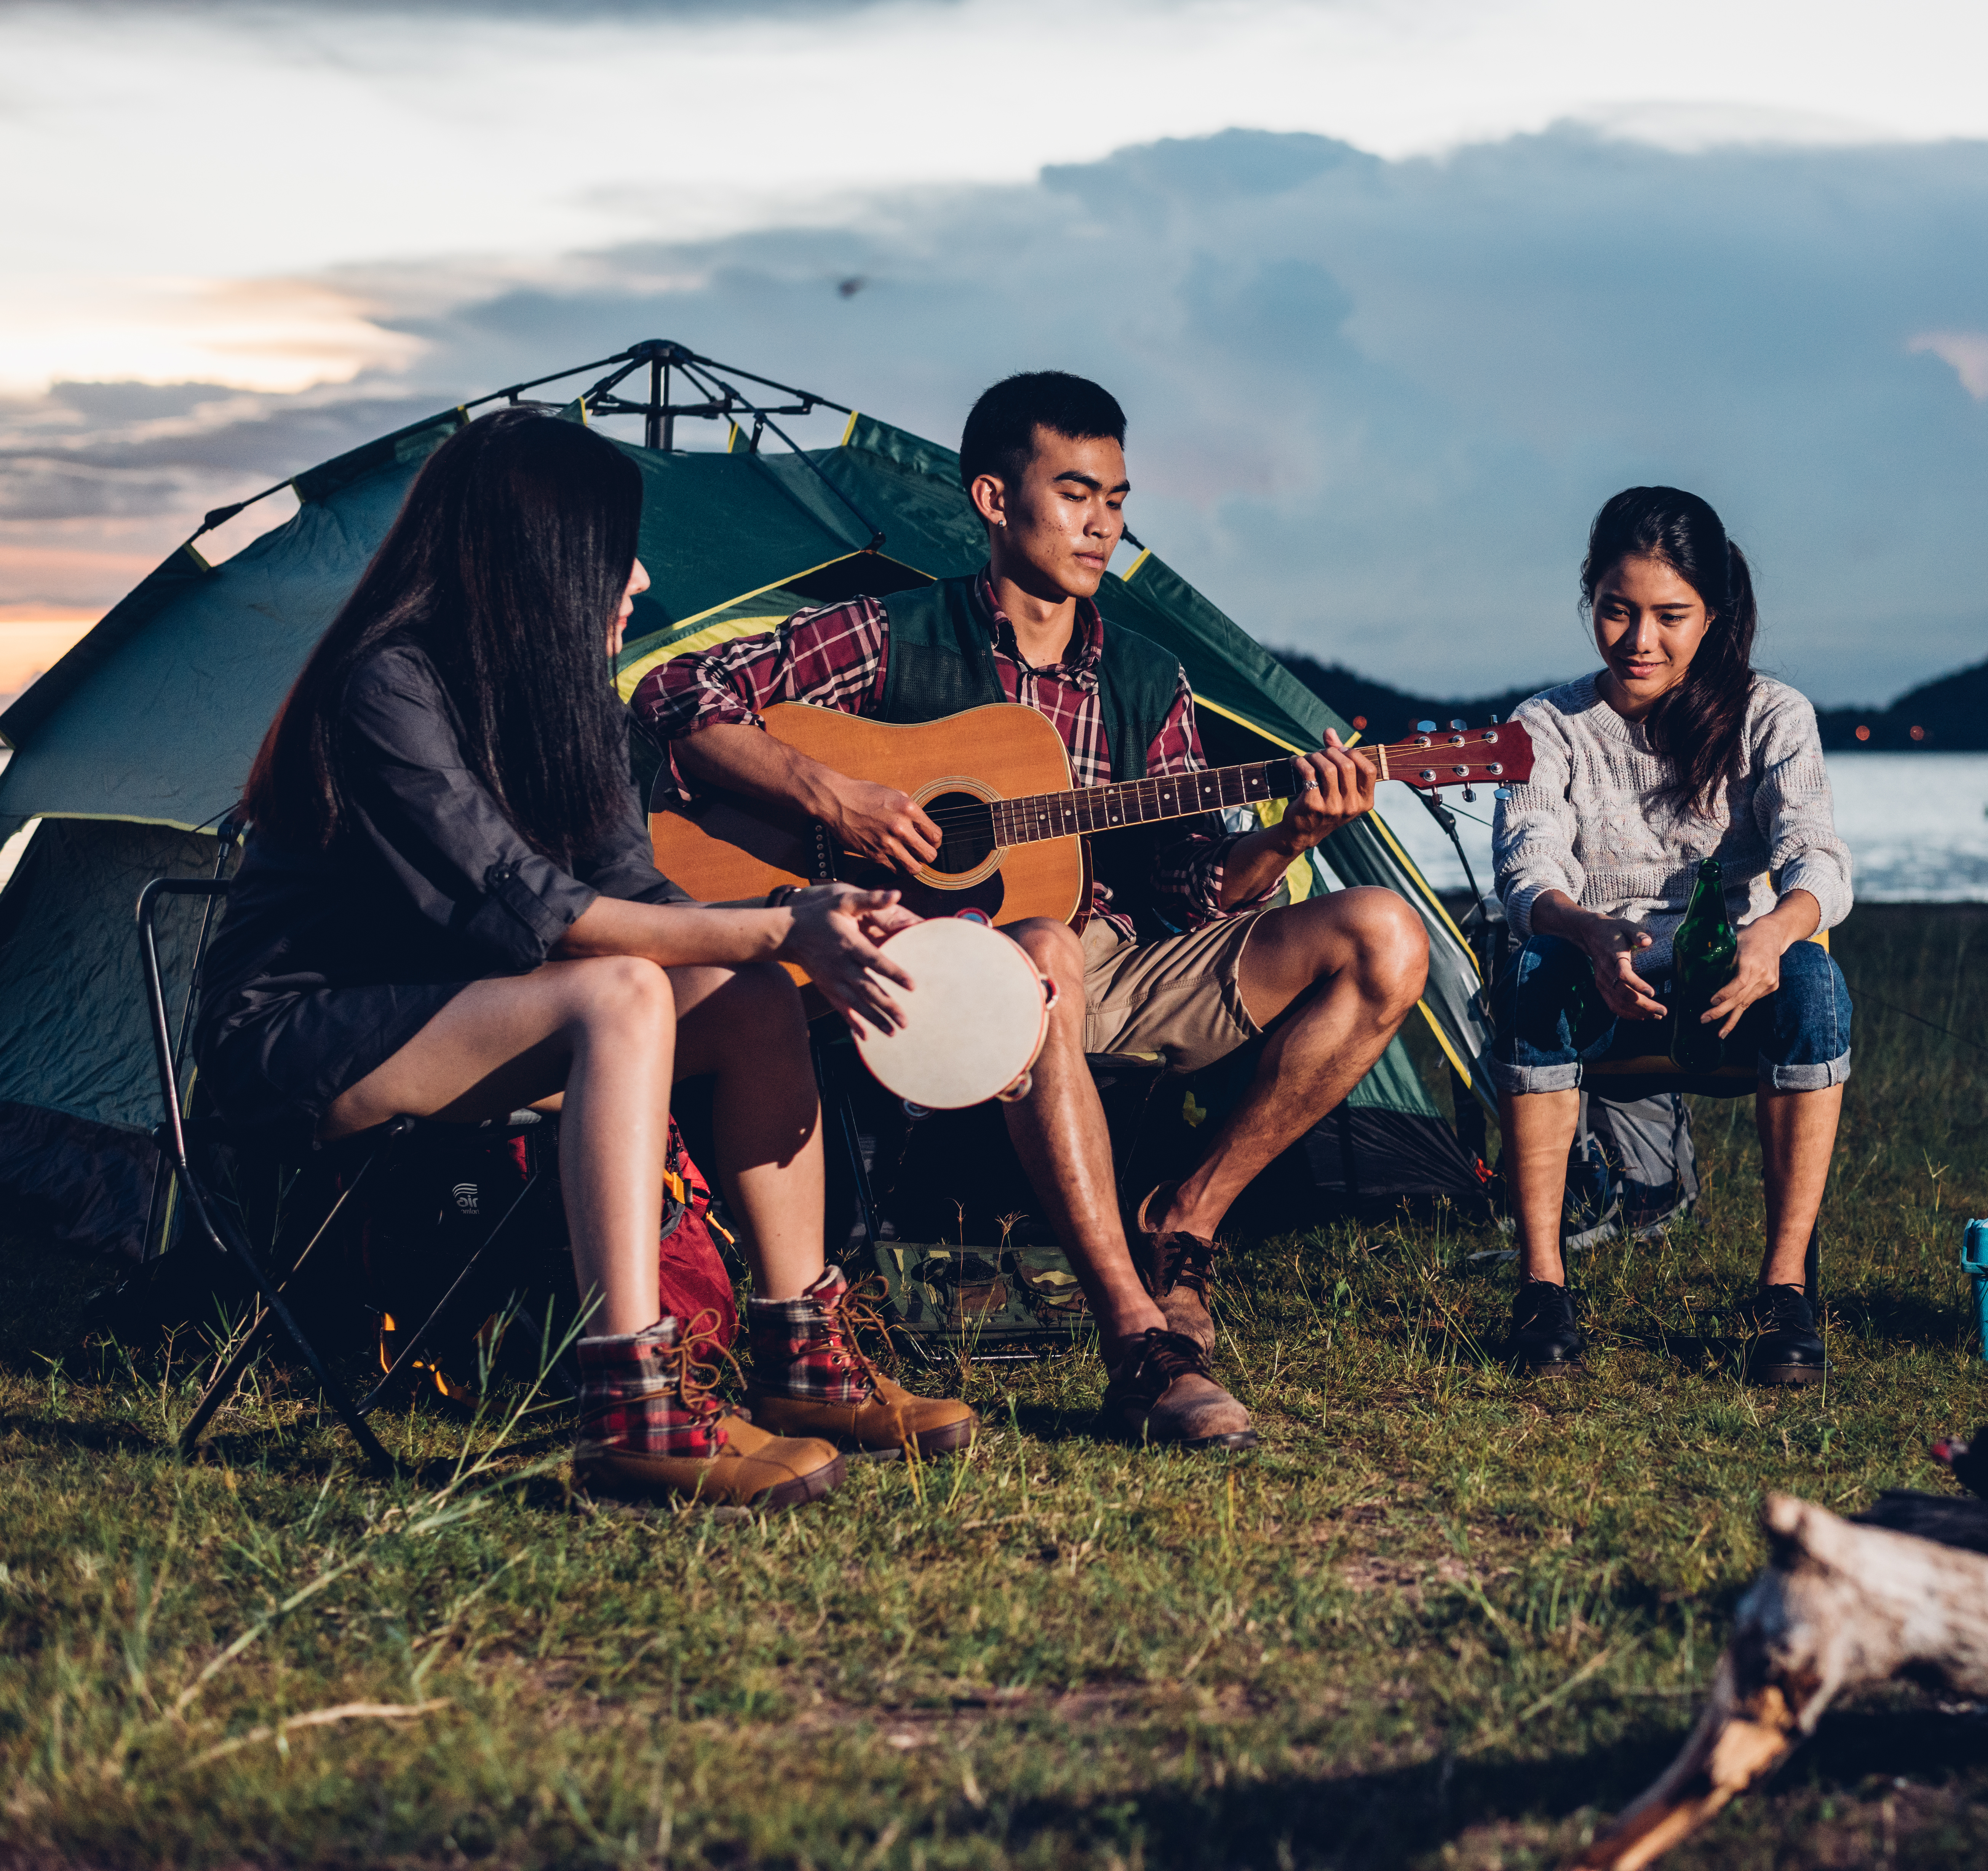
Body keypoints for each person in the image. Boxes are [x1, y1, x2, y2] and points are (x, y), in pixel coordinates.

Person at [199, 408, 983, 1510]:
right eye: (617, 553)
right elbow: (539, 912)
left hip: (465, 1009)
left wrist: (814, 926)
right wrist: (777, 922)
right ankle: (630, 1407)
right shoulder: (384, 687)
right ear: (539, 560)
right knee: (618, 992)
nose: (640, 580)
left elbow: (644, 900)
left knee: (751, 991)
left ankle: (801, 1355)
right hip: (299, 1038)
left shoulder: (577, 708)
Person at [631, 371, 1429, 1450]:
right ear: (994, 499)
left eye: (1118, 499)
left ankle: (1183, 1222)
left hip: (1102, 965)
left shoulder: (1146, 678)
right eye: (1076, 493)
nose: (1104, 524)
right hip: (907, 964)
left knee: (1384, 933)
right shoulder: (891, 633)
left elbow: (1191, 887)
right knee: (1041, 945)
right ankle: (1138, 1342)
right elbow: (675, 692)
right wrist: (836, 797)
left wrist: (1291, 836)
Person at [1491, 486, 1855, 1384]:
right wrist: (1586, 931)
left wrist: (1772, 935)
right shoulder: (1547, 725)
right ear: (1590, 597)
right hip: (1599, 972)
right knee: (1533, 966)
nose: (1638, 639)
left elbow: (1817, 859)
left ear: (1713, 615)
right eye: (1617, 610)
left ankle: (1782, 1290)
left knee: (1814, 981)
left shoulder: (1771, 714)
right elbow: (1527, 867)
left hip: (1727, 977)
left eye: (1669, 615)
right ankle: (1542, 1285)